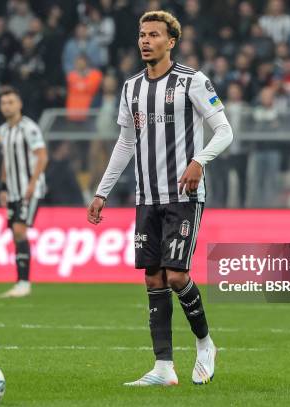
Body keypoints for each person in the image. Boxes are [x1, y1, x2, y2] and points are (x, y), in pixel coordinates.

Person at [87, 10, 233, 386]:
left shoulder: (193, 81)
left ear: (171, 41)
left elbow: (224, 131)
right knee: (154, 278)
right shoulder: (130, 87)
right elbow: (125, 143)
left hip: (183, 195)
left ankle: (205, 343)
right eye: (142, 34)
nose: (145, 40)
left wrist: (200, 161)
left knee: (177, 274)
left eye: (154, 34)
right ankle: (163, 368)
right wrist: (102, 191)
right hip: (146, 197)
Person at [0, 87, 48, 298]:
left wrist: (32, 183)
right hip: (13, 190)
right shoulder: (3, 131)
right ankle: (20, 282)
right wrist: (2, 187)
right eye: (3, 103)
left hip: (30, 189)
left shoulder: (29, 128)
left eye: (10, 102)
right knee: (16, 233)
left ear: (19, 104)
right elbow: (6, 161)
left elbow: (42, 156)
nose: (7, 106)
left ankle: (24, 283)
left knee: (19, 230)